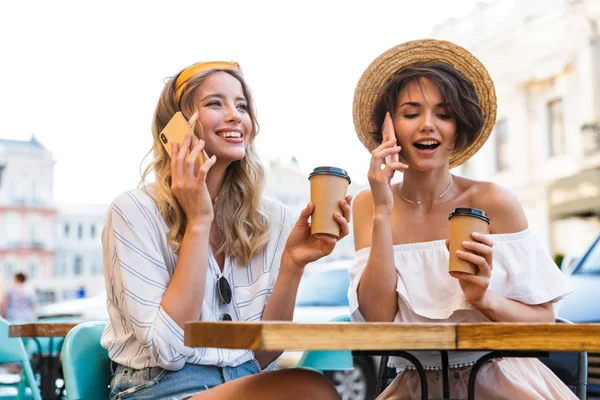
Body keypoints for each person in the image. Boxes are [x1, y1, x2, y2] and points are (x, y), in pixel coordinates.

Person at [101, 61, 350, 400]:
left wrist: (293, 264)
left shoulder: (273, 219)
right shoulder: (133, 212)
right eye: (215, 104)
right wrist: (199, 222)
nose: (235, 116)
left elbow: (263, 356)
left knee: (309, 387)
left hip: (243, 382)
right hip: (161, 388)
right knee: (311, 389)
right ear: (178, 127)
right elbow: (169, 352)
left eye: (242, 106)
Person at [349, 39, 576, 399]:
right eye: (411, 113)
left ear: (459, 129)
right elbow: (378, 319)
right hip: (415, 385)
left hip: (501, 382)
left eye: (444, 114)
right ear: (388, 130)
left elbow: (544, 320)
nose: (428, 125)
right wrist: (382, 211)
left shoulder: (492, 201)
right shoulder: (369, 204)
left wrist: (484, 299)